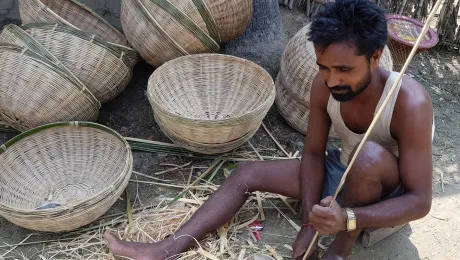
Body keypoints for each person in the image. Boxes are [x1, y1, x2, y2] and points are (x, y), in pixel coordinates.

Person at [104, 0, 435, 259]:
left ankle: (339, 250)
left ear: (376, 57)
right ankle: (164, 250)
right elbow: (313, 154)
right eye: (324, 67)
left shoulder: (410, 103)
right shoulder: (326, 86)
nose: (331, 80)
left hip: (387, 193)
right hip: (344, 170)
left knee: (369, 159)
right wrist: (309, 222)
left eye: (344, 69)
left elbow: (420, 201)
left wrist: (346, 219)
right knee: (247, 173)